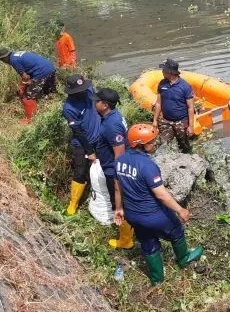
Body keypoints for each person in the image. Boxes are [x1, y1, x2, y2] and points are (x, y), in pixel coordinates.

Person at [114, 124, 203, 285]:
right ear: (140, 144)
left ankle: (157, 280)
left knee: (148, 243)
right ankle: (183, 258)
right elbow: (161, 195)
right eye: (151, 142)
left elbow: (117, 188)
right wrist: (180, 209)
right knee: (176, 230)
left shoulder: (119, 161)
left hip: (133, 215)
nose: (154, 144)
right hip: (153, 214)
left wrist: (119, 209)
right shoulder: (148, 166)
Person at [93, 88, 132, 249]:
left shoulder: (112, 124)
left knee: (119, 203)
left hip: (114, 170)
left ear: (105, 105)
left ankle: (126, 240)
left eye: (97, 101)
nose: (94, 103)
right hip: (111, 166)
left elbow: (119, 154)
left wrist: (117, 180)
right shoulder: (112, 116)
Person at [62, 74, 101, 216]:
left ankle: (95, 194)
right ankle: (73, 204)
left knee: (98, 168)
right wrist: (89, 151)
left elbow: (98, 104)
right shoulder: (69, 108)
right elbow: (77, 132)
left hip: (99, 137)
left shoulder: (89, 90)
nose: (84, 91)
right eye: (80, 91)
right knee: (80, 172)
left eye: (85, 88)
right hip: (82, 143)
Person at [0, 48, 56, 124]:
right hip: (50, 68)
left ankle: (31, 119)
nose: (2, 61)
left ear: (4, 58)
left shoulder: (13, 61)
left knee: (28, 96)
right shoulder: (16, 54)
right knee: (49, 92)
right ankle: (53, 110)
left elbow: (26, 77)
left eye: (1, 60)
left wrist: (24, 87)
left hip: (41, 73)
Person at [153, 58, 195, 154]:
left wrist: (191, 126)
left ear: (170, 72)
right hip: (166, 121)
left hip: (181, 122)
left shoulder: (185, 86)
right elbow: (158, 103)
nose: (162, 71)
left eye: (163, 69)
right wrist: (155, 120)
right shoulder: (162, 84)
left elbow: (190, 107)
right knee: (164, 145)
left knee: (184, 145)